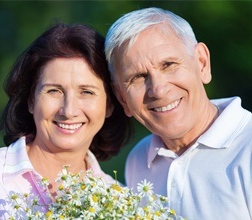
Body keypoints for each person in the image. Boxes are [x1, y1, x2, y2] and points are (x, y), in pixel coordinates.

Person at [105, 7, 252, 220]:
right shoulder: (138, 161)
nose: (158, 89)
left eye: (169, 65)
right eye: (137, 77)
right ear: (121, 98)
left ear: (202, 63)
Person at [0, 23, 132, 219]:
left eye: (86, 92)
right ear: (31, 100)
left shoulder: (120, 200)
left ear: (109, 105)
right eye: (54, 91)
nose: (69, 110)